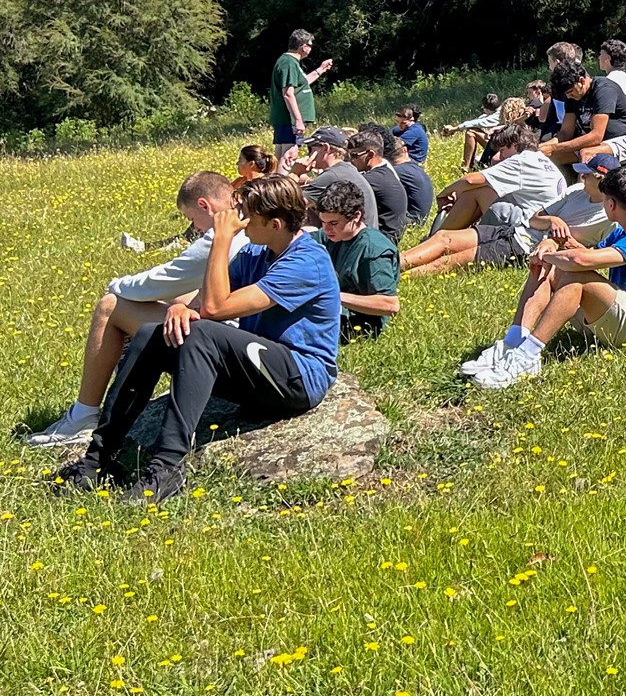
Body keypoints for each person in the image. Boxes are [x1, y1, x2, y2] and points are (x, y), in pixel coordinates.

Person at [55, 174, 339, 502]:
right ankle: (98, 460)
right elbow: (205, 300)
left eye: (248, 216)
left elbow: (217, 307)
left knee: (201, 334)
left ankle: (167, 469)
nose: (240, 222)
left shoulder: (306, 262)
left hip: (299, 378)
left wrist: (221, 239)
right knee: (151, 334)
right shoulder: (256, 255)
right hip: (262, 366)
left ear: (274, 224)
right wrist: (181, 308)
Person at [24, 172, 252, 448]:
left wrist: (113, 285)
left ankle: (83, 415)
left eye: (192, 219)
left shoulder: (218, 237)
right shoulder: (248, 221)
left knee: (111, 306)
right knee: (181, 297)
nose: (195, 228)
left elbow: (155, 283)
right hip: (247, 338)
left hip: (223, 346)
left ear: (204, 205)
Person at [460, 163, 626, 390]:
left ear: (611, 204)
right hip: (620, 317)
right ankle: (513, 342)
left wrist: (546, 257)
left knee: (577, 278)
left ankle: (529, 356)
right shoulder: (625, 231)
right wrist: (550, 244)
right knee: (552, 269)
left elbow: (581, 261)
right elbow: (582, 250)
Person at [402, 122, 568, 276]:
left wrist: (444, 193)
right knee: (480, 190)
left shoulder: (522, 161)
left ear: (515, 145)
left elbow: (471, 179)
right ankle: (439, 240)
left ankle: (433, 242)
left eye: (503, 150)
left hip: (531, 230)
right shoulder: (541, 160)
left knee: (476, 192)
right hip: (544, 227)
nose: (501, 156)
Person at [315, 179, 401, 341]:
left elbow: (390, 305)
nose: (326, 229)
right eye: (323, 222)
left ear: (356, 216)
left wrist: (333, 295)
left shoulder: (373, 250)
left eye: (333, 223)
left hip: (361, 325)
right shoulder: (331, 235)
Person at [544, 57, 626, 167]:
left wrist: (554, 148)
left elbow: (596, 136)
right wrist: (541, 148)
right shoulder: (572, 97)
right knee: (551, 158)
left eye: (570, 92)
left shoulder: (604, 90)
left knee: (587, 153)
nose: (569, 96)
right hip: (600, 144)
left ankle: (583, 184)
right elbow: (565, 133)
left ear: (582, 81)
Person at [269, 29, 334, 170]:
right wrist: (298, 120)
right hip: (289, 120)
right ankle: (280, 190)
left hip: (289, 120)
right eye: (310, 45)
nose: (310, 48)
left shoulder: (290, 63)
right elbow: (288, 93)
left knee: (282, 156)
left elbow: (302, 83)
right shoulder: (288, 63)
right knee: (288, 158)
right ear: (303, 46)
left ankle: (276, 186)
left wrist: (321, 69)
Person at [300, 127, 380, 231]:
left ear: (325, 148)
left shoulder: (332, 175)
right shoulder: (346, 168)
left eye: (310, 149)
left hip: (351, 241)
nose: (308, 154)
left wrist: (294, 173)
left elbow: (287, 205)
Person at [346, 124, 410, 241]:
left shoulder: (372, 180)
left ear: (370, 154)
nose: (350, 160)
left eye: (354, 155)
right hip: (388, 235)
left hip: (381, 240)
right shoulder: (385, 171)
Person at [388, 133, 436, 233]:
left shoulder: (396, 172)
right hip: (420, 217)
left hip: (412, 221)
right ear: (404, 150)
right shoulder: (413, 165)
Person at [444, 92, 504, 169]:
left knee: (471, 132)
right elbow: (479, 119)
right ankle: (468, 165)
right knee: (472, 130)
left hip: (500, 146)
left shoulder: (496, 117)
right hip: (502, 143)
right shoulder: (499, 111)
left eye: (483, 108)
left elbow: (477, 122)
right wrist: (454, 128)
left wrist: (454, 129)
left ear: (488, 109)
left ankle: (465, 166)